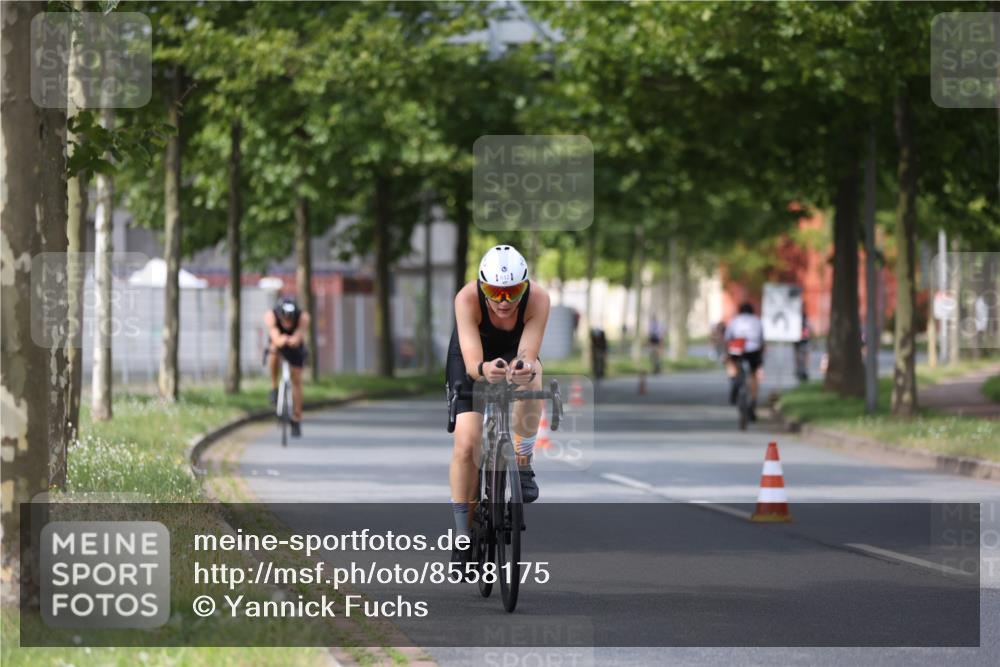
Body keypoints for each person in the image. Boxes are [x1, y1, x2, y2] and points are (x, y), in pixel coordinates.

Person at [446, 245, 550, 565]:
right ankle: (462, 535)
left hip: (513, 352)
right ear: (482, 287)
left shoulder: (538, 299)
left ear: (525, 287)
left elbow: (528, 353)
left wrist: (523, 368)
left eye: (512, 292)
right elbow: (472, 363)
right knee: (468, 443)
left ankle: (523, 461)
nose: (504, 302)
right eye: (494, 292)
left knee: (533, 377)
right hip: (472, 359)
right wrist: (483, 370)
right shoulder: (466, 298)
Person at [264, 296, 310, 437]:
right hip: (278, 342)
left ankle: (297, 417)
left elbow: (300, 333)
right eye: (285, 319)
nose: (288, 322)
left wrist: (294, 339)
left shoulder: (303, 317)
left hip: (295, 344)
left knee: (297, 378)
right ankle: (274, 387)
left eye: (290, 319)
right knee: (273, 352)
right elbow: (274, 333)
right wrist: (280, 339)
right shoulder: (271, 315)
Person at [724, 302, 765, 421]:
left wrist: (727, 352)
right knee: (754, 374)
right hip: (753, 350)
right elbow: (761, 339)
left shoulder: (735, 320)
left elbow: (728, 338)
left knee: (731, 361)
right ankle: (753, 401)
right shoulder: (757, 320)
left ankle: (734, 380)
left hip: (738, 347)